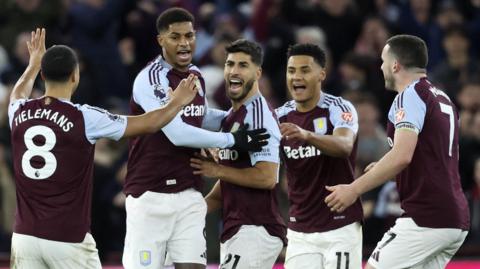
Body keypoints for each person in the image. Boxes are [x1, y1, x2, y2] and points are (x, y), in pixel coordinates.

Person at [8, 28, 199, 269]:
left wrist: (33, 64)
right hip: (68, 239)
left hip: (24, 237)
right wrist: (177, 102)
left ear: (43, 77)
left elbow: (18, 92)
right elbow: (149, 123)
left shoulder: (18, 111)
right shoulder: (84, 117)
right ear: (75, 76)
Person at [123, 8, 268, 269]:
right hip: (150, 195)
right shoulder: (151, 79)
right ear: (161, 41)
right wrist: (231, 140)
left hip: (189, 192)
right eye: (175, 36)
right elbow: (177, 133)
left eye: (189, 35)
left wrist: (238, 119)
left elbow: (199, 115)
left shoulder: (195, 74)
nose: (184, 43)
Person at [325, 34, 470, 269]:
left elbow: (402, 155)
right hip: (454, 218)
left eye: (383, 61)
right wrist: (387, 169)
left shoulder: (409, 96)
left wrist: (353, 189)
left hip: (426, 217)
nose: (381, 67)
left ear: (395, 65)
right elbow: (433, 157)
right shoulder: (442, 97)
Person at [190, 39, 286, 269]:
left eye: (243, 65)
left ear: (258, 72)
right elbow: (225, 186)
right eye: (229, 64)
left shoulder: (259, 116)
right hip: (238, 230)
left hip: (256, 229)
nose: (234, 70)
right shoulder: (232, 117)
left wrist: (217, 169)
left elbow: (267, 177)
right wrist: (191, 214)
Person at [275, 43, 363, 269]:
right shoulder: (279, 116)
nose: (296, 77)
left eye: (305, 70)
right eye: (291, 70)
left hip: (340, 226)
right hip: (299, 231)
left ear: (321, 74)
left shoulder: (339, 107)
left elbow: (344, 145)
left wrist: (307, 135)